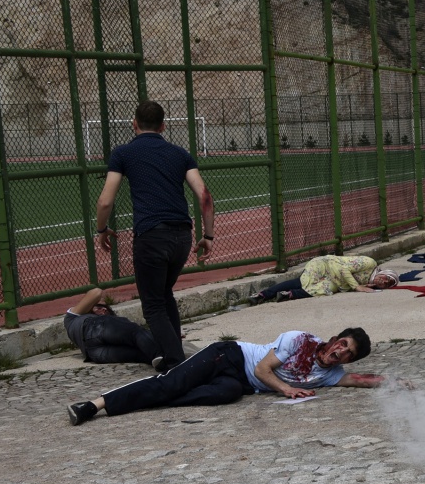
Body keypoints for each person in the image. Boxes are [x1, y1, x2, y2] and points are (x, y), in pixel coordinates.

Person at [95, 101, 215, 372]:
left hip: (151, 236)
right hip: (182, 236)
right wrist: (208, 236)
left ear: (134, 124)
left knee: (152, 305)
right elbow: (205, 195)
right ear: (163, 126)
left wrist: (101, 230)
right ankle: (171, 349)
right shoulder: (180, 154)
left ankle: (175, 364)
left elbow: (105, 201)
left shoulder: (123, 153)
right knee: (164, 294)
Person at [66, 327, 382, 426]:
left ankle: (164, 390)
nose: (340, 353)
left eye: (348, 353)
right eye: (342, 344)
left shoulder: (330, 374)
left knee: (223, 394)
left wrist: (397, 384)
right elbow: (262, 370)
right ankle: (95, 404)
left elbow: (359, 381)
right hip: (229, 356)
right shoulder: (300, 340)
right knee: (172, 383)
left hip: (238, 383)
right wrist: (286, 389)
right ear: (333, 339)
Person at [63, 287, 162, 367]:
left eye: (105, 310)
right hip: (94, 329)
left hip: (93, 353)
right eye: (99, 308)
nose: (102, 311)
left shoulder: (72, 322)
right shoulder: (72, 318)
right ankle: (166, 353)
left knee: (138, 353)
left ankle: (164, 361)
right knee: (135, 332)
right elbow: (96, 292)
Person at [249, 255, 397, 303]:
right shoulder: (370, 263)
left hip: (334, 281)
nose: (383, 282)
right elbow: (344, 269)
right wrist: (357, 287)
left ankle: (289, 295)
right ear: (384, 272)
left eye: (387, 284)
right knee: (302, 281)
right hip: (326, 265)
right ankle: (263, 294)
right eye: (386, 278)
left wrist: (364, 286)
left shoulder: (370, 283)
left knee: (325, 289)